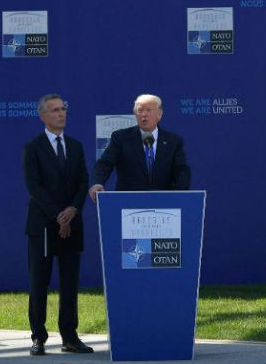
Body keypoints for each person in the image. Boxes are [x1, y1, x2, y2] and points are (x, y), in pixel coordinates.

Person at [23, 94, 93, 355]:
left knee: (69, 283)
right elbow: (35, 187)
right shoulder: (33, 148)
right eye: (54, 110)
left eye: (63, 109)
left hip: (72, 224)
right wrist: (58, 216)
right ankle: (38, 338)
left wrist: (72, 210)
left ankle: (70, 336)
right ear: (43, 116)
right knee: (39, 282)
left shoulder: (75, 146)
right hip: (42, 225)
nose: (61, 114)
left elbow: (83, 182)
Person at [89, 93, 191, 201]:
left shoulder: (173, 141)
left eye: (148, 110)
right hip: (128, 202)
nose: (144, 115)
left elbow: (181, 170)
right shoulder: (121, 138)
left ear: (159, 114)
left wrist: (180, 195)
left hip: (163, 202)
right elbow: (105, 163)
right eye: (140, 110)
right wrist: (97, 183)